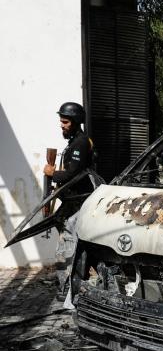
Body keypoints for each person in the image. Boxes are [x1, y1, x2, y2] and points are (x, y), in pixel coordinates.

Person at [44, 102, 94, 266]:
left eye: (65, 122)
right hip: (72, 200)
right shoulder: (74, 141)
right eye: (61, 121)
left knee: (68, 239)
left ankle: (69, 273)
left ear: (75, 121)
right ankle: (78, 265)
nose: (62, 125)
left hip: (78, 201)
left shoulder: (80, 142)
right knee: (60, 222)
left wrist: (53, 174)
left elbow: (73, 173)